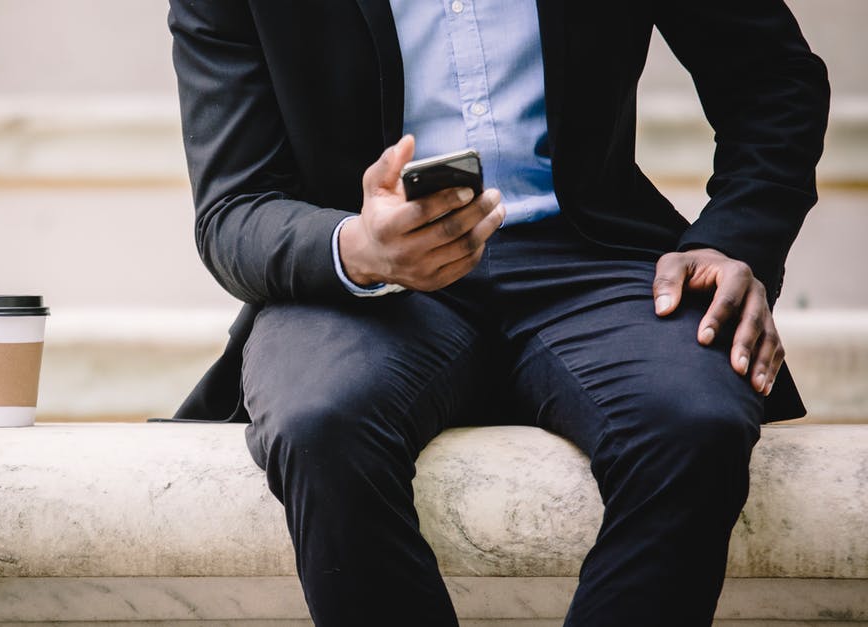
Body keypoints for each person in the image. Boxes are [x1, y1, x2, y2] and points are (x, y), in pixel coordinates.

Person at [162, 0, 829, 625]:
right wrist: (360, 247)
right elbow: (234, 206)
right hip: (367, 280)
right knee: (320, 422)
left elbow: (775, 81)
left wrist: (735, 241)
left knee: (697, 419)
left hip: (590, 259)